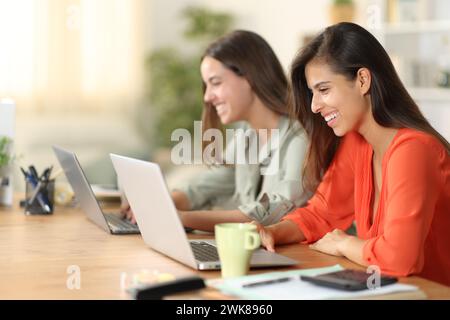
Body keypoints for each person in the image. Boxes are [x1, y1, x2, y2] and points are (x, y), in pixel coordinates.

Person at [256, 22, 450, 286]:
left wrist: (345, 244)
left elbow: (400, 258)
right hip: (386, 289)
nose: (314, 106)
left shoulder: (414, 150)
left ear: (362, 80)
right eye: (313, 93)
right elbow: (321, 213)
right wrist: (271, 232)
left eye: (323, 90)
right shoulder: (358, 143)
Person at [122, 30, 310, 232]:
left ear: (250, 77)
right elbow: (216, 180)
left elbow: (269, 214)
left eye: (216, 83)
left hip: (297, 259)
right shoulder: (246, 135)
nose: (207, 97)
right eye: (207, 85)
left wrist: (179, 217)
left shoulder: (299, 138)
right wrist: (164, 202)